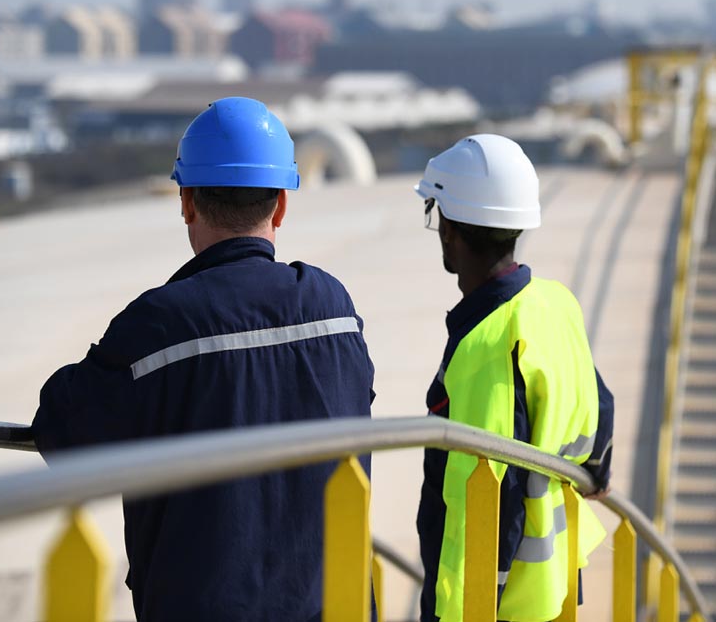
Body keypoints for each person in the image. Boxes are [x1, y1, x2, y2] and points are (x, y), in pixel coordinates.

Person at [32, 97, 375, 621]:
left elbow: (60, 430)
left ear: (186, 201)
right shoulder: (335, 309)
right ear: (281, 204)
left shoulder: (157, 328)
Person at [413, 135, 614, 622]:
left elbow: (494, 488)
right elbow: (600, 415)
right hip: (552, 591)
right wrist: (595, 473)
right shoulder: (554, 305)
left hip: (496, 605)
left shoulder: (486, 345)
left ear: (450, 231)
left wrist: (473, 606)